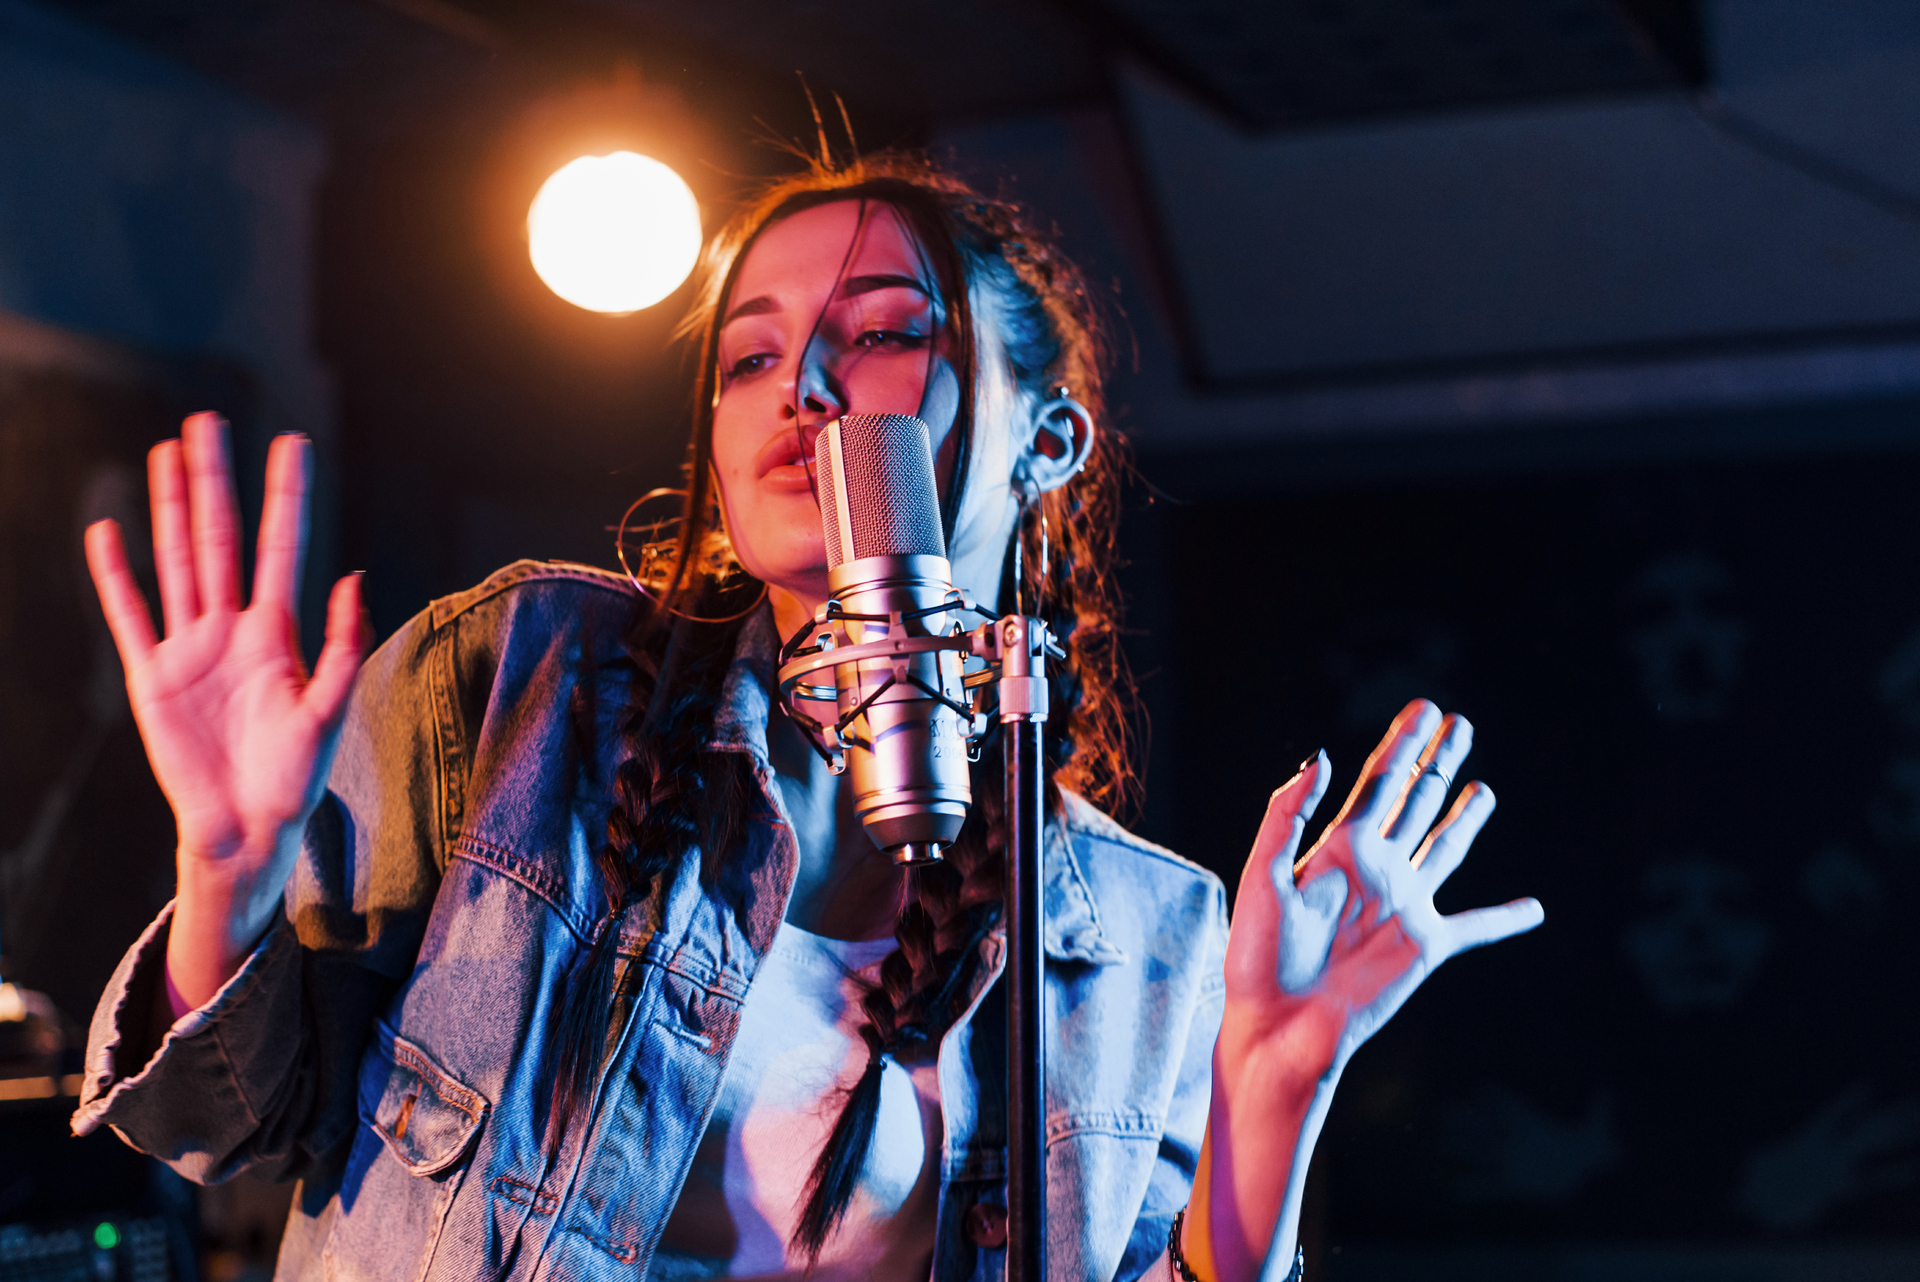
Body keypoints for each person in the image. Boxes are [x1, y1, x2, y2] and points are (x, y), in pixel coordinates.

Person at [73, 151, 1543, 1282]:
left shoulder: (1150, 927)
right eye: (753, 356)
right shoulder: (518, 679)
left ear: (1048, 439)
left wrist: (1274, 1094)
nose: (811, 386)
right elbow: (219, 1129)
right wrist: (225, 869)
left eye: (886, 332)